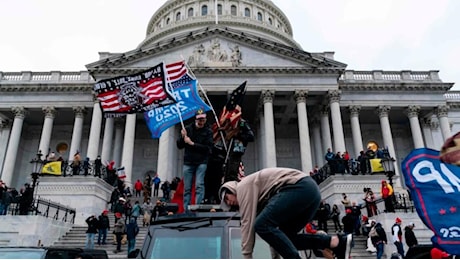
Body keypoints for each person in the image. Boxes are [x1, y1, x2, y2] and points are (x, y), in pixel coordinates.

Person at [218, 167, 352, 259]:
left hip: (300, 187)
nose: (229, 203)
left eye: (227, 199)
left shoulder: (242, 187)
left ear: (231, 190)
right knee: (286, 238)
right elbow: (275, 238)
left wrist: (247, 257)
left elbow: (247, 225)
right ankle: (334, 242)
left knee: (260, 225)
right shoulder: (259, 199)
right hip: (310, 193)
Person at [176, 109, 213, 211]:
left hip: (201, 162)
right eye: (199, 119)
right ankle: (186, 209)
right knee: (187, 188)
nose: (201, 122)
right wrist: (182, 137)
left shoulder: (208, 132)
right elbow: (179, 145)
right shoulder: (188, 129)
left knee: (199, 185)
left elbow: (208, 148)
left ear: (205, 119)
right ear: (196, 119)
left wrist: (192, 144)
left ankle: (198, 207)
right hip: (189, 162)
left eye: (203, 119)